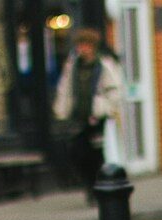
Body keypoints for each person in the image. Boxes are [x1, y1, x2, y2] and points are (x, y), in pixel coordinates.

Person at [53, 28, 123, 197]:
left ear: (92, 46)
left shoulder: (104, 65)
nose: (81, 49)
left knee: (96, 155)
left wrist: (103, 109)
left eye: (85, 45)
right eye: (79, 45)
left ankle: (98, 188)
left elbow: (114, 91)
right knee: (77, 153)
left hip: (97, 118)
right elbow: (65, 89)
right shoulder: (73, 65)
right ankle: (91, 184)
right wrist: (60, 111)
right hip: (78, 116)